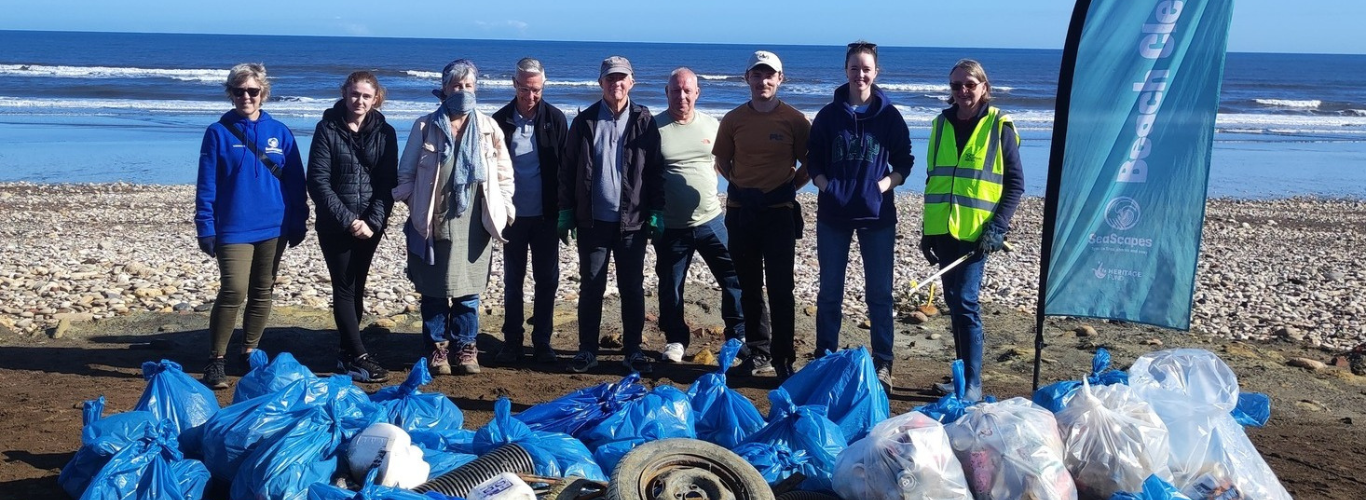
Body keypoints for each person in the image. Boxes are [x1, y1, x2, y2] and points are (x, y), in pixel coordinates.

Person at [394, 59, 515, 376]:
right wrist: (416, 204)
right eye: (456, 86)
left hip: (475, 221)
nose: (462, 91)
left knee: (469, 290)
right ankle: (436, 349)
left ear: (476, 89)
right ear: (444, 89)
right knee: (433, 288)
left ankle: (465, 347)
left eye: (468, 86)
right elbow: (405, 176)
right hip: (433, 220)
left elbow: (503, 177)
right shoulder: (425, 126)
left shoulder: (488, 128)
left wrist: (505, 209)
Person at [806, 41, 915, 390]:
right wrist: (828, 187)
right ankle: (825, 357)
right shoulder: (828, 115)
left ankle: (884, 362)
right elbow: (814, 161)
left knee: (879, 293)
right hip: (833, 216)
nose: (860, 74)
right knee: (830, 293)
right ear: (846, 70)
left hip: (877, 216)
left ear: (876, 72)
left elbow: (905, 162)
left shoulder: (889, 116)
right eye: (855, 68)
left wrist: (882, 185)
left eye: (866, 68)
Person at [194, 62, 307, 390]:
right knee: (234, 290)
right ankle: (216, 359)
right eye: (239, 91)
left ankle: (249, 351)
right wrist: (205, 225)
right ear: (230, 93)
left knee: (262, 290)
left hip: (275, 225)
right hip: (232, 228)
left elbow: (296, 183)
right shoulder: (217, 133)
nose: (246, 96)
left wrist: (299, 219)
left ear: (264, 94)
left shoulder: (281, 132)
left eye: (253, 91)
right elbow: (206, 184)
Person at [920, 59, 1025, 401]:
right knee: (953, 301)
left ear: (984, 87)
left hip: (978, 235)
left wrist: (998, 226)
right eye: (956, 86)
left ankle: (974, 385)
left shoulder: (999, 126)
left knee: (965, 302)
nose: (963, 91)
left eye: (970, 84)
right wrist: (927, 230)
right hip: (944, 231)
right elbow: (933, 179)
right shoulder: (940, 124)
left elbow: (1015, 184)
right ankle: (962, 377)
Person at [558, 55, 665, 374]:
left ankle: (634, 350)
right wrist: (566, 211)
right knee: (592, 285)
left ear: (631, 82)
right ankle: (587, 350)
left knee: (632, 286)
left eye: (622, 78)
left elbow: (657, 169)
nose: (616, 83)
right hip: (592, 222)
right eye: (610, 78)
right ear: (600, 82)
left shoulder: (644, 120)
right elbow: (567, 169)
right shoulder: (585, 120)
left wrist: (657, 210)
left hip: (632, 221)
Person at [713, 50, 810, 380]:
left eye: (770, 75)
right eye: (757, 75)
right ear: (748, 78)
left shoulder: (795, 120)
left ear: (780, 79)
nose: (763, 81)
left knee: (782, 288)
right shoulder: (733, 119)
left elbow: (810, 163)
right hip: (742, 213)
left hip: (780, 213)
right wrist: (741, 187)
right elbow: (721, 162)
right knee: (749, 287)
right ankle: (759, 352)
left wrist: (788, 188)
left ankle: (784, 357)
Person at [306, 70, 399, 383]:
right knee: (344, 287)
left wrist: (372, 221)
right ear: (345, 94)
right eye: (355, 94)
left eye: (366, 96)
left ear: (376, 99)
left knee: (358, 286)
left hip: (371, 226)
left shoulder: (385, 132)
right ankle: (359, 356)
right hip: (336, 226)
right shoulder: (326, 129)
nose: (359, 101)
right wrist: (348, 220)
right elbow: (317, 181)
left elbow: (388, 182)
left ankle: (347, 355)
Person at [653, 67, 745, 364]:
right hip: (671, 225)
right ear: (666, 93)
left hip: (711, 220)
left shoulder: (712, 125)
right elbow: (642, 175)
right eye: (675, 90)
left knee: (733, 276)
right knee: (671, 284)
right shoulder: (652, 129)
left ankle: (738, 334)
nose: (682, 96)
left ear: (697, 93)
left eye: (687, 90)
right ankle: (675, 339)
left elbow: (725, 163)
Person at [491, 58, 569, 366]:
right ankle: (512, 341)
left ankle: (543, 341)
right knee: (513, 280)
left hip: (546, 216)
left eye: (536, 89)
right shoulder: (499, 121)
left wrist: (567, 213)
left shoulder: (556, 119)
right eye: (525, 89)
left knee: (547, 280)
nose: (530, 95)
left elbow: (566, 169)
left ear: (543, 86)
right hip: (511, 217)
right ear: (514, 84)